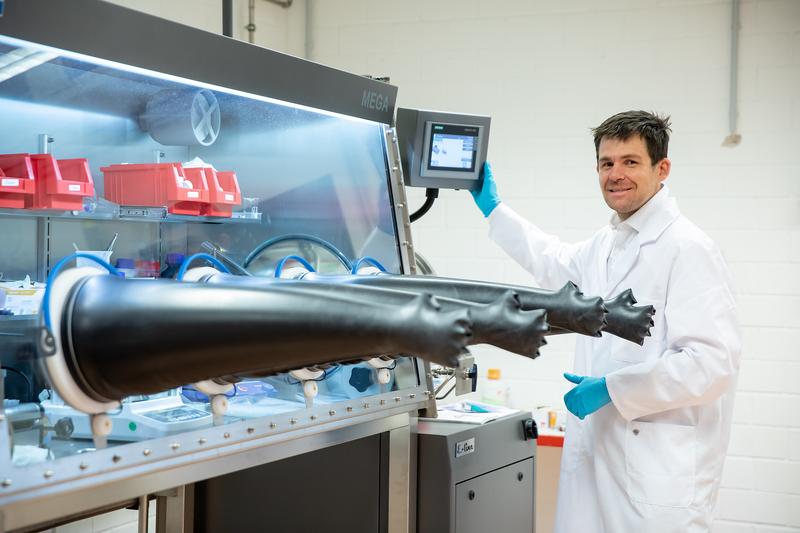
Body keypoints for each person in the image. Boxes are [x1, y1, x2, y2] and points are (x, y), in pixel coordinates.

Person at [470, 111, 741, 532]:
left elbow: (711, 365)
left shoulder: (688, 248)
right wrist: (494, 209)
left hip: (657, 474)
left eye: (630, 161)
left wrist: (613, 389)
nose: (615, 174)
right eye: (606, 163)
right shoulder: (607, 244)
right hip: (599, 460)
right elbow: (552, 261)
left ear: (661, 168)